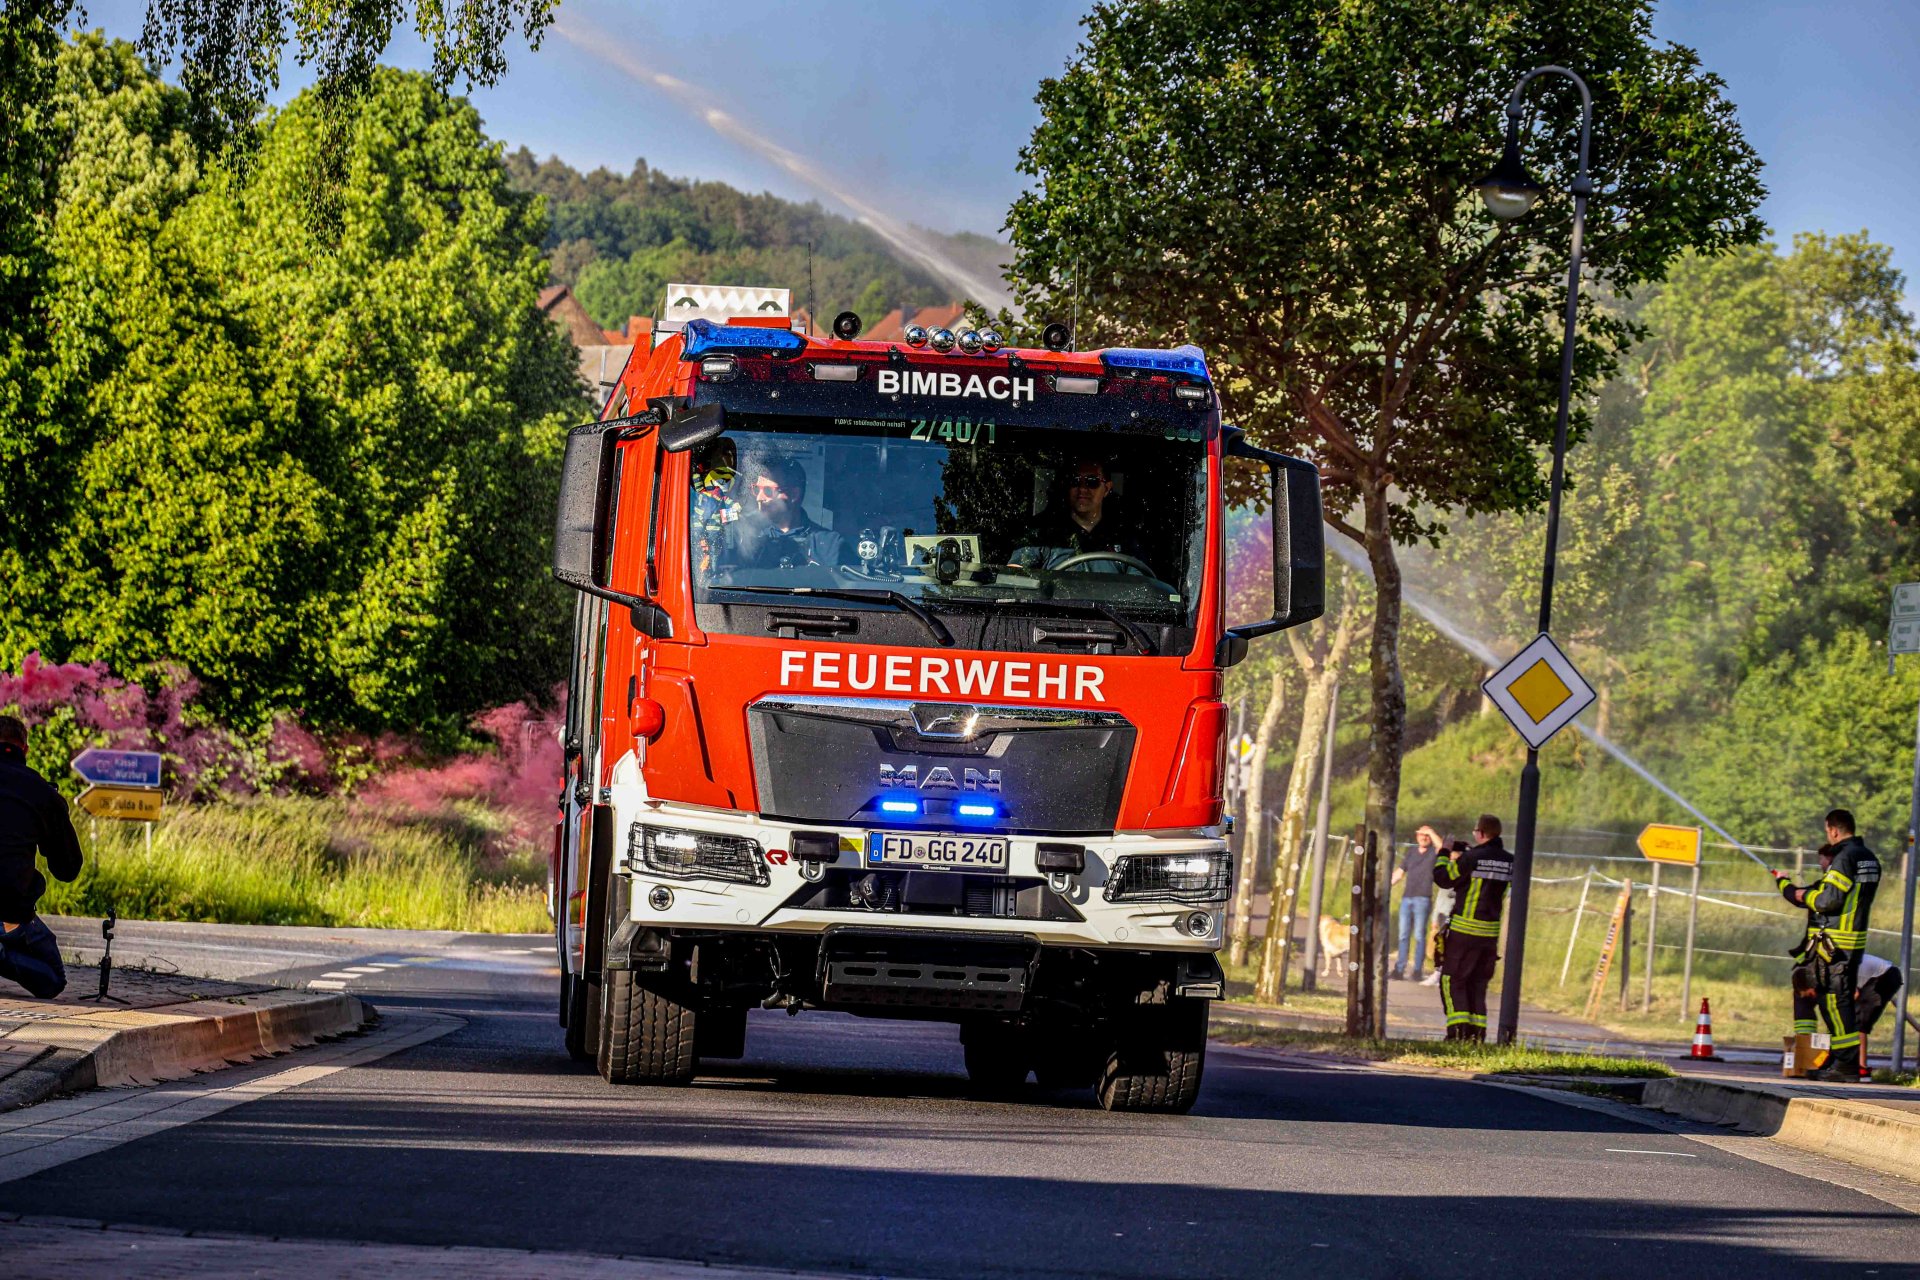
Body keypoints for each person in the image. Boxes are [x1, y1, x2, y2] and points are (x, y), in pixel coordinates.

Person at [1773, 808, 1880, 1081]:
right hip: (1851, 942)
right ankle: (1840, 1062)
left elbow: (1828, 901)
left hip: (1835, 945)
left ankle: (1845, 1066)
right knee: (1834, 1001)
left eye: (1827, 831)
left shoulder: (1845, 857)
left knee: (1834, 1002)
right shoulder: (1868, 857)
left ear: (1833, 830)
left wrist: (1802, 894)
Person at [0, 715, 83, 998]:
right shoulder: (42, 793)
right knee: (52, 978)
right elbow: (68, 869)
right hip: (11, 912)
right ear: (25, 749)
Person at [1431, 814, 1514, 1042]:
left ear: (1481, 833)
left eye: (1476, 830)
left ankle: (1457, 1033)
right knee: (1477, 984)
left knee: (1452, 980)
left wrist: (1444, 853)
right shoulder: (1510, 860)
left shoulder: (1473, 858)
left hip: (1464, 933)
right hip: (1489, 936)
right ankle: (1477, 1036)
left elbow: (1443, 878)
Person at [722, 455, 843, 573]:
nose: (759, 498)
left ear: (794, 495)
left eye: (768, 491)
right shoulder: (750, 540)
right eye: (757, 489)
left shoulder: (831, 545)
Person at [1021, 458, 1147, 568]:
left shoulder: (1125, 536)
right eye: (1074, 480)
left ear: (1107, 488)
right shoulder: (1041, 532)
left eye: (1092, 481)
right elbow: (1015, 578)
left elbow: (1141, 585)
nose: (1082, 488)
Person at [1391, 824, 1441, 983]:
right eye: (1421, 834)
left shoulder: (1434, 853)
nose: (1423, 837)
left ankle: (1417, 971)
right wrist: (1384, 886)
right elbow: (1399, 873)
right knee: (1403, 935)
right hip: (1407, 898)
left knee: (1419, 936)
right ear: (1416, 836)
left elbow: (1442, 847)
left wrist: (1431, 832)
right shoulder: (1411, 852)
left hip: (1423, 898)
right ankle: (1399, 969)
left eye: (1426, 835)